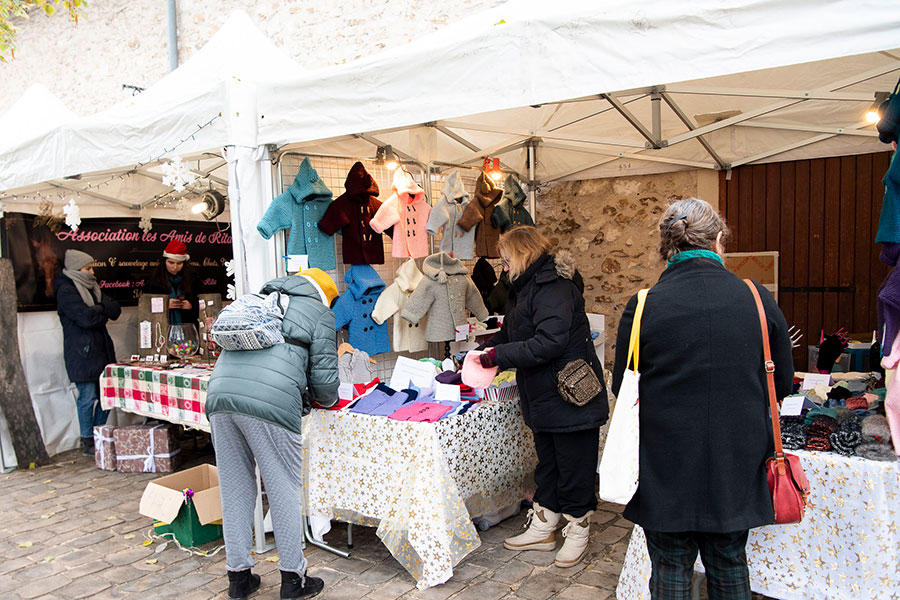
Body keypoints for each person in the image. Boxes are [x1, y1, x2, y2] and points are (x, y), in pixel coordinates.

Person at [611, 197, 793, 600]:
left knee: (670, 567)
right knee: (730, 564)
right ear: (719, 239)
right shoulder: (756, 298)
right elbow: (780, 386)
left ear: (666, 246)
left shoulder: (643, 306)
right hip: (735, 461)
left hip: (666, 463)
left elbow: (621, 390)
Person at [478, 226, 608, 568]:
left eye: (506, 260)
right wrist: (485, 348)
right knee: (549, 463)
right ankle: (544, 527)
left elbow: (549, 342)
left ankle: (578, 530)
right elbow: (512, 331)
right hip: (544, 393)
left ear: (523, 254)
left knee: (574, 465)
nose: (503, 268)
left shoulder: (553, 286)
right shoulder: (524, 288)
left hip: (570, 393)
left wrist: (497, 357)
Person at [205, 269, 340, 600]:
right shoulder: (319, 313)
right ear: (325, 294)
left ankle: (239, 578)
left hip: (220, 396)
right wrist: (327, 400)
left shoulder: (257, 298)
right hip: (271, 402)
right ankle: (294, 580)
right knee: (283, 488)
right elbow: (325, 383)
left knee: (235, 487)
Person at [54, 249, 121, 456]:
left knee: (106, 396)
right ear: (77, 269)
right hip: (81, 352)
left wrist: (98, 310)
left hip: (101, 350)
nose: (92, 272)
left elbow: (115, 310)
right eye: (88, 268)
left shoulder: (93, 288)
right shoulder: (66, 290)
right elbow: (85, 318)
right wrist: (102, 311)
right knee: (87, 396)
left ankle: (97, 433)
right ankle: (87, 439)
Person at [146, 239, 198, 324]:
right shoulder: (154, 279)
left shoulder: (192, 278)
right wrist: (164, 304)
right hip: (161, 326)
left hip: (188, 326)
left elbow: (202, 302)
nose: (175, 267)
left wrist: (191, 305)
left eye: (179, 263)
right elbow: (146, 304)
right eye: (171, 263)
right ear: (164, 261)